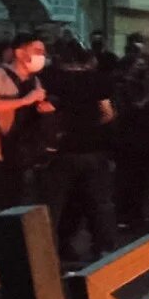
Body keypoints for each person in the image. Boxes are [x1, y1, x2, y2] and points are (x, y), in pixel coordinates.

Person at [0, 33, 55, 289]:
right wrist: (26, 101)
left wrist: (43, 110)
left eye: (43, 51)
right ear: (19, 52)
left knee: (9, 211)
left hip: (16, 156)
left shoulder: (35, 80)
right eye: (36, 50)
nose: (41, 55)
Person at [42, 39, 119, 262]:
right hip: (93, 149)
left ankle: (50, 250)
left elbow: (44, 110)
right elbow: (108, 113)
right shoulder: (98, 80)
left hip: (61, 150)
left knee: (55, 205)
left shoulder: (51, 78)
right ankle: (104, 248)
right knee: (99, 202)